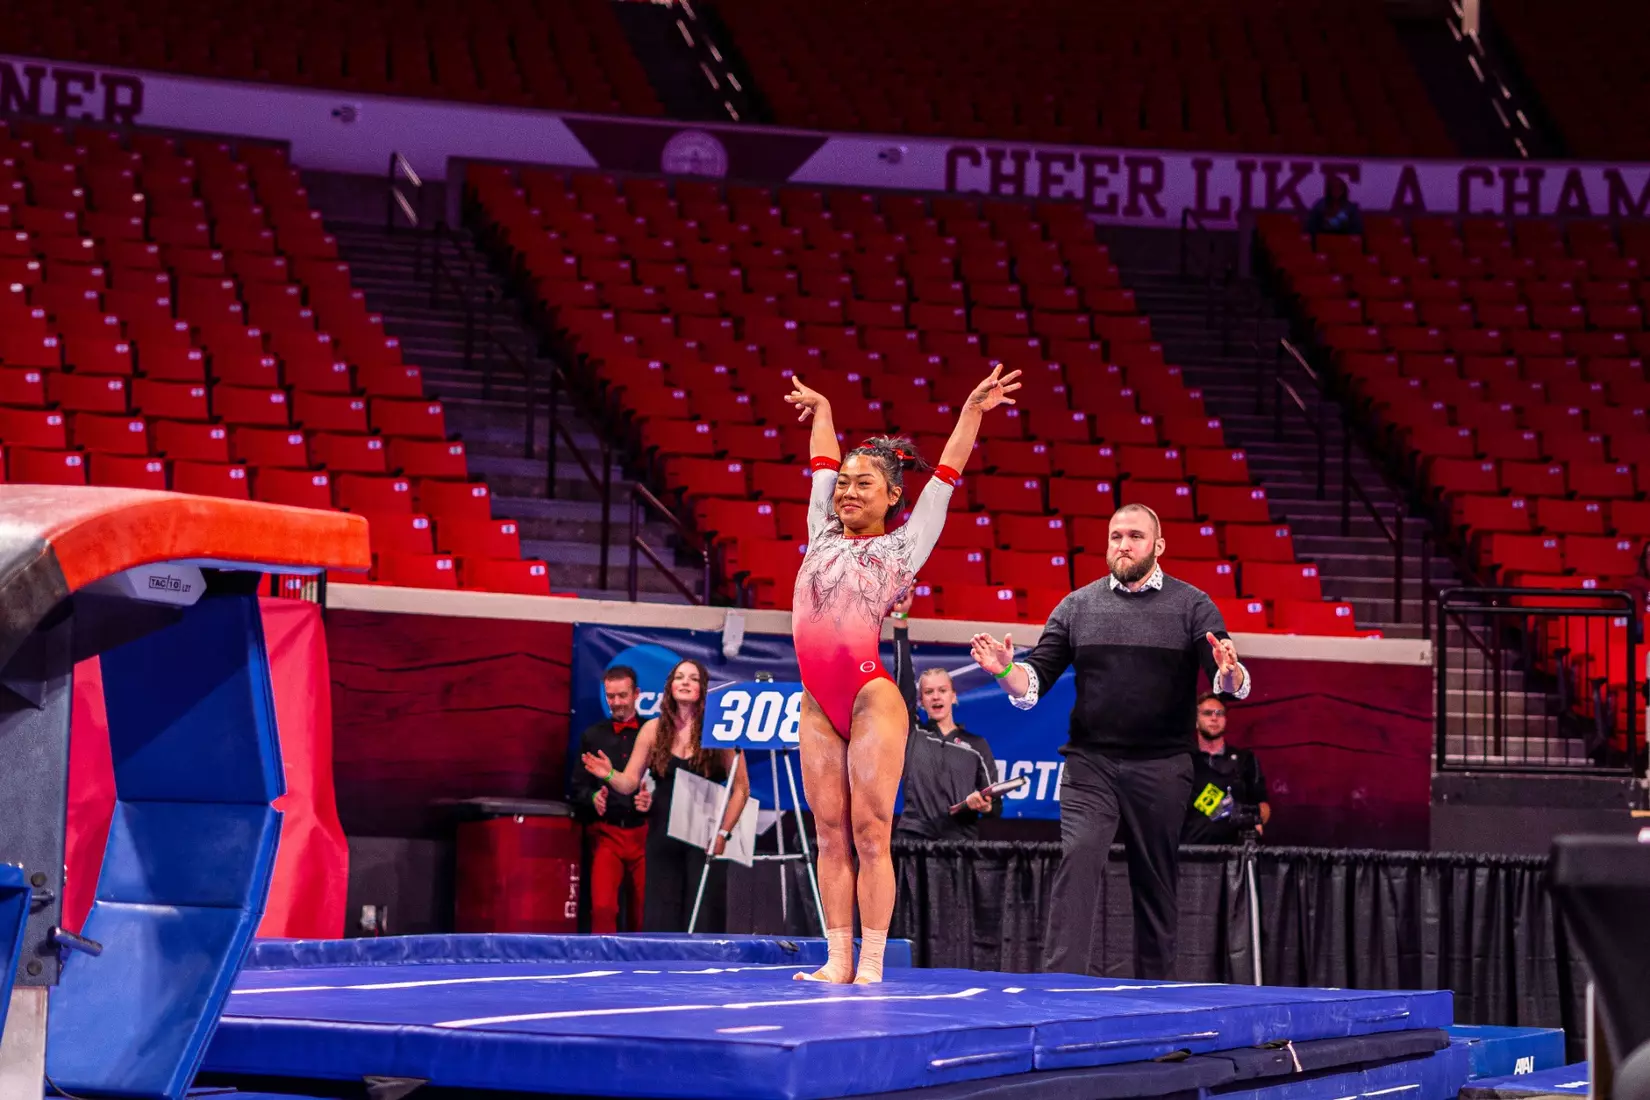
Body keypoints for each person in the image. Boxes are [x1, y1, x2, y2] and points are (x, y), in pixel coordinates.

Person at [785, 363, 1021, 983]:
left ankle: (870, 965)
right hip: (817, 699)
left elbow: (946, 479)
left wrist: (972, 411)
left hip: (869, 696)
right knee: (828, 832)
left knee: (869, 831)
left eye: (864, 484)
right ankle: (835, 960)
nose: (847, 491)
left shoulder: (903, 546)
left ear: (892, 496)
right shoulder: (819, 533)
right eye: (844, 484)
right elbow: (821, 462)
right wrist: (826, 407)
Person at [969, 502, 1251, 980]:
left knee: (1155, 879)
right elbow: (1033, 682)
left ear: (1158, 546)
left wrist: (1230, 671)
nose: (1124, 544)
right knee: (1077, 861)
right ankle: (1059, 985)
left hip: (1162, 765)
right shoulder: (1077, 606)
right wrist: (1005, 672)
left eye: (1136, 536)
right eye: (1116, 536)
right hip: (1090, 762)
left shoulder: (1193, 605)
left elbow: (1227, 680)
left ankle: (1157, 991)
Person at [581, 658, 749, 933]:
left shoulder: (719, 729)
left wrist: (723, 834)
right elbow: (629, 783)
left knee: (704, 917)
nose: (685, 682)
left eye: (693, 678)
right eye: (679, 677)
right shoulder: (653, 730)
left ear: (703, 688)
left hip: (704, 837)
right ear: (669, 686)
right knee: (662, 918)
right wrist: (610, 774)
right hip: (662, 837)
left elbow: (741, 788)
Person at [890, 595, 1002, 840]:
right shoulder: (914, 734)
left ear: (953, 696)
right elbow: (904, 680)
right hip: (914, 841)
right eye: (928, 692)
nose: (935, 697)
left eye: (942, 690)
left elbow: (996, 806)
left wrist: (985, 806)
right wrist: (900, 621)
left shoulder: (976, 746)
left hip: (959, 846)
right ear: (921, 701)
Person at [569, 666, 654, 932]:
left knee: (645, 913)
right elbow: (576, 788)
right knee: (603, 909)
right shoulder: (593, 736)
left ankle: (650, 971)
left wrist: (653, 799)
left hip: (646, 836)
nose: (616, 702)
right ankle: (599, 969)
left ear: (636, 694)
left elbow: (670, 781)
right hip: (607, 834)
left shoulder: (653, 733)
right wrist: (593, 797)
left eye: (622, 695)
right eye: (610, 696)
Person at [1182, 693, 1271, 845]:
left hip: (1235, 856)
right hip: (1190, 855)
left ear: (1226, 720)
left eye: (1219, 713)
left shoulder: (1245, 760)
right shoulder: (1183, 761)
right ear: (1195, 721)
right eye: (1207, 713)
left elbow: (1263, 806)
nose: (1214, 718)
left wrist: (1253, 819)